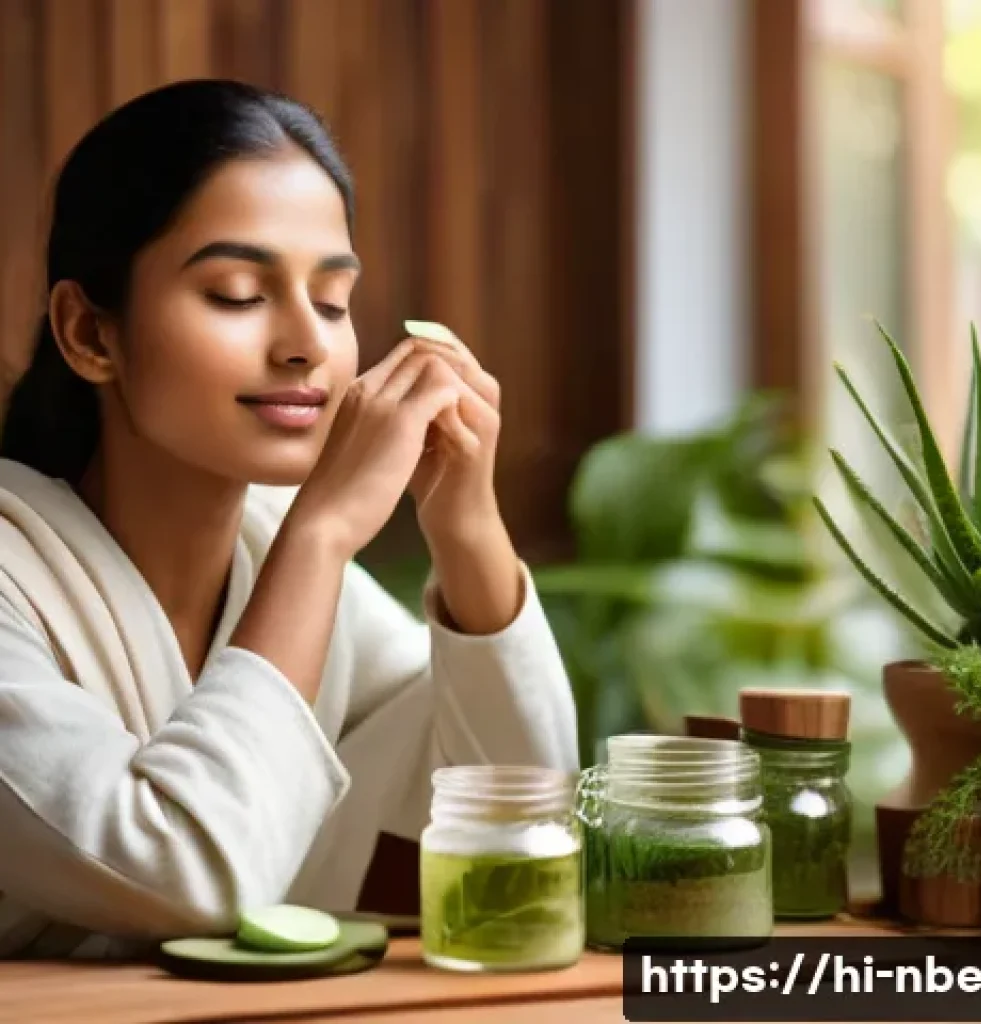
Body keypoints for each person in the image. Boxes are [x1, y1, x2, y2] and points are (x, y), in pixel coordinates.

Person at [0, 80, 578, 958]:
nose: (307, 342)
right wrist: (323, 531)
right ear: (90, 333)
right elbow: (183, 870)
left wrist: (467, 528)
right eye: (238, 293)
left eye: (336, 301)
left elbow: (517, 795)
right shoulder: (28, 571)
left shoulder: (275, 553)